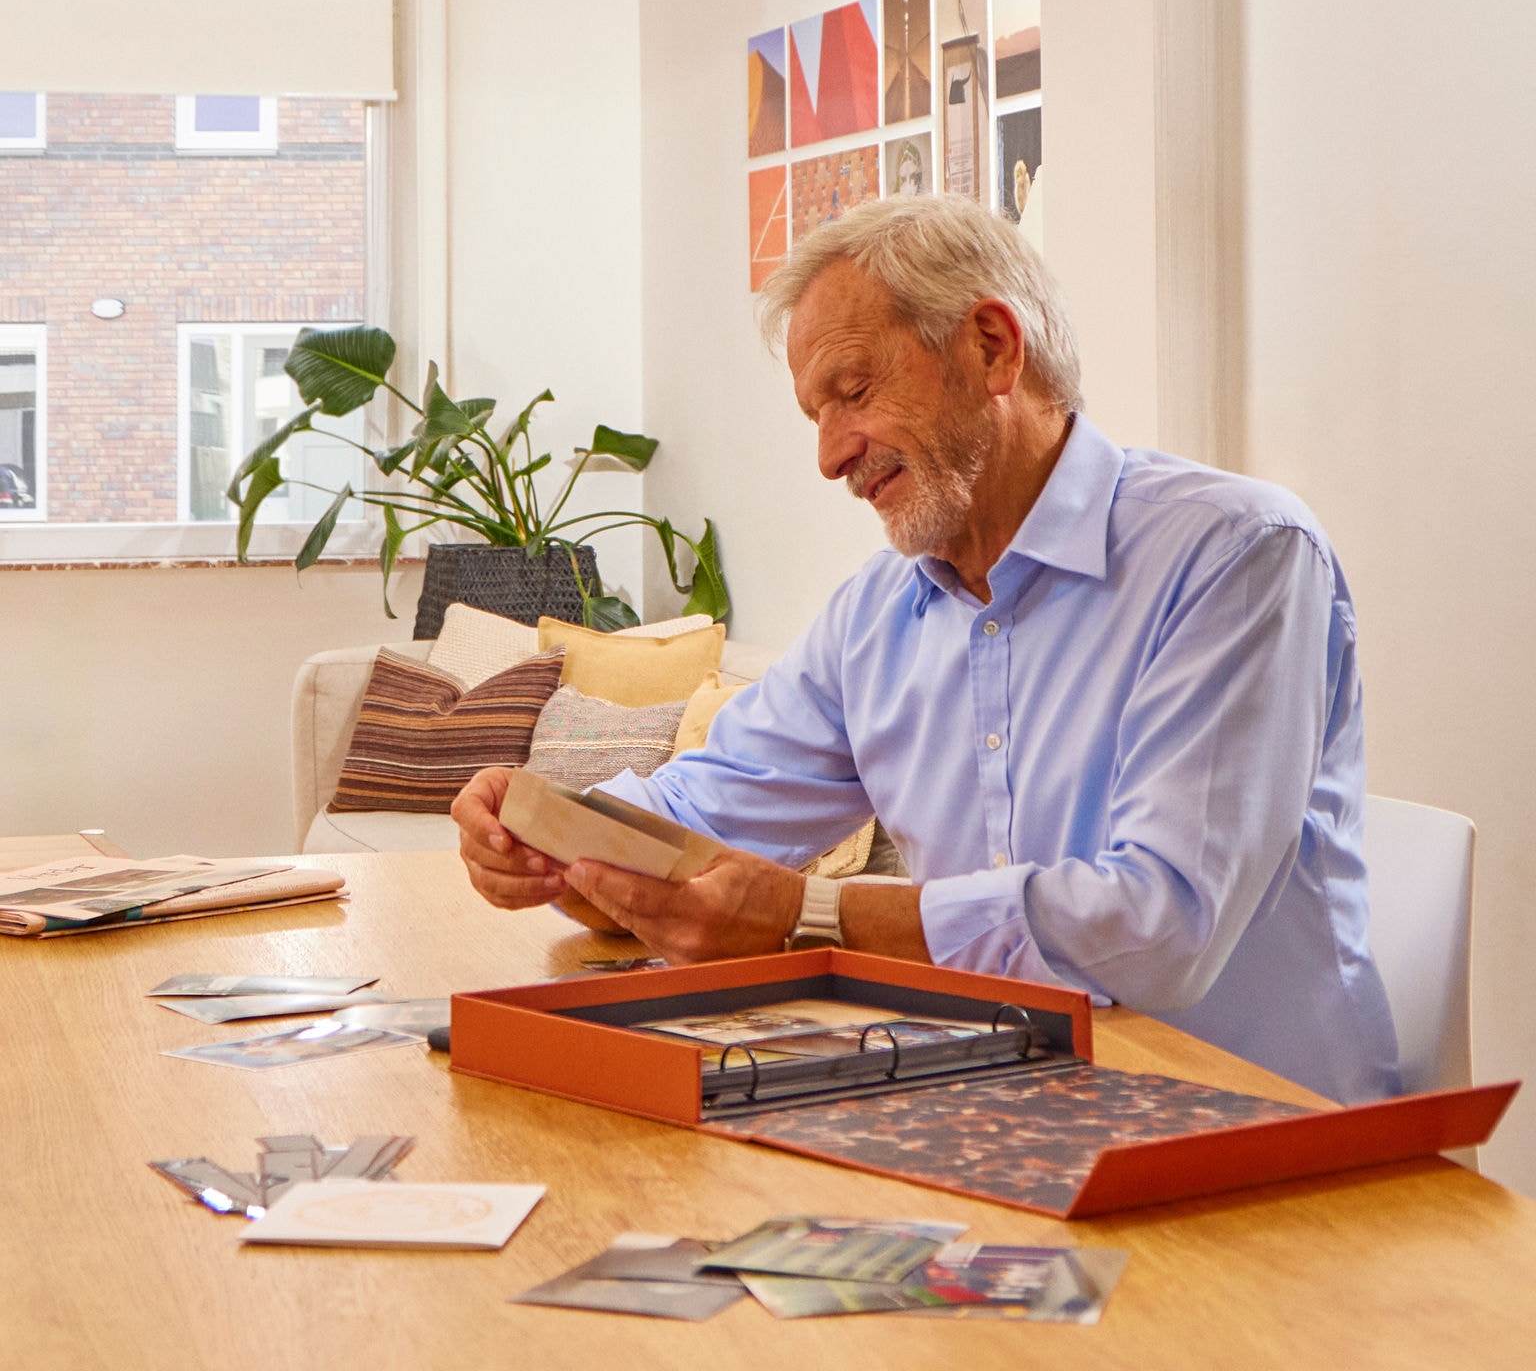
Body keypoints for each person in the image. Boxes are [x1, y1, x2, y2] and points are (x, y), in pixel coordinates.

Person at [453, 195, 1399, 1102]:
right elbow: (707, 806)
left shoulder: (1236, 555)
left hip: (1262, 1137)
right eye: (814, 416)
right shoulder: (874, 617)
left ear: (992, 348)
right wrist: (548, 835)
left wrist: (809, 918)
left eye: (852, 392)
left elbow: (1159, 927)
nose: (829, 456)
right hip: (998, 1105)